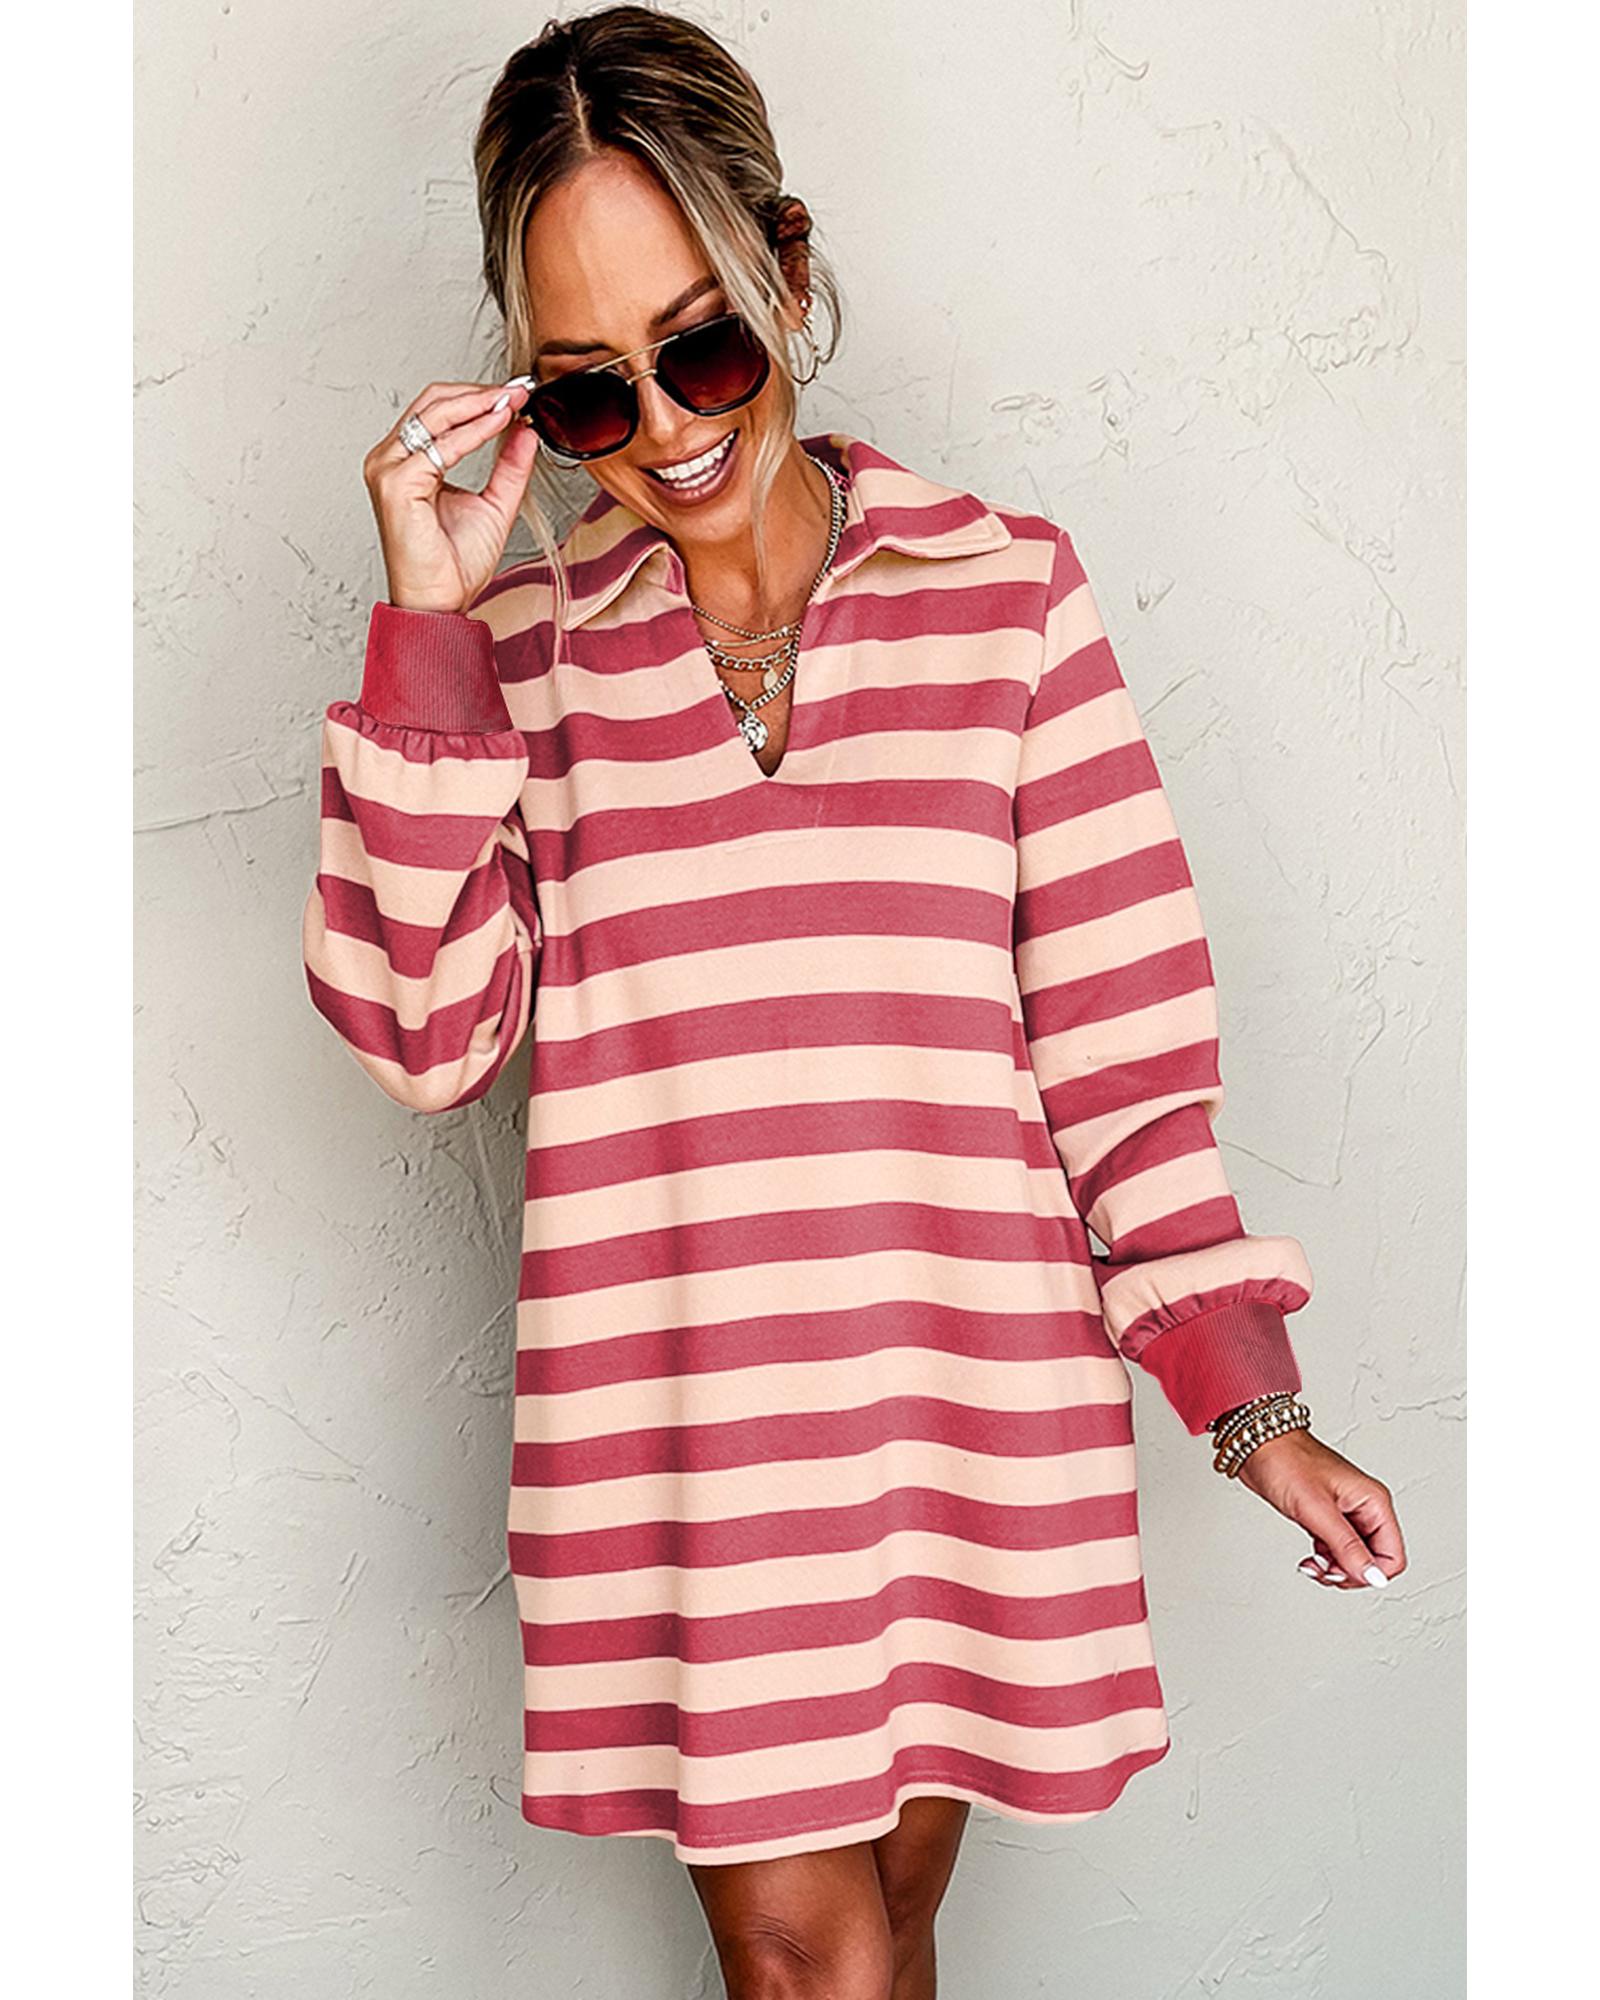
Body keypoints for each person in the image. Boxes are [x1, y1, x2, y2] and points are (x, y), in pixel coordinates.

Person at [301, 8, 1407, 1995]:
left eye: (704, 346)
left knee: (879, 1944)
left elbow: (1120, 1059)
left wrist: (1254, 1411)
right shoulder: (517, 661)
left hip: (965, 1425)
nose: (665, 425)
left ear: (787, 275)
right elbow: (424, 1037)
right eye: (589, 391)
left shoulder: (1006, 594)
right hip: (691, 1446)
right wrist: (427, 628)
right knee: (806, 1962)